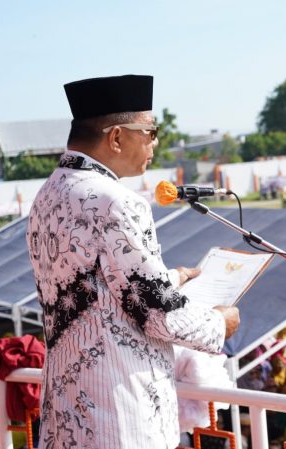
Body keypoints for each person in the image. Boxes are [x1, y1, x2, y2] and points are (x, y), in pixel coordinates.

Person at [26, 75, 240, 449]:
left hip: (67, 408)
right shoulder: (116, 201)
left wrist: (173, 277)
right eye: (150, 131)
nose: (154, 142)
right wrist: (219, 323)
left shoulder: (47, 194)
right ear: (117, 137)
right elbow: (158, 313)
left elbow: (91, 291)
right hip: (118, 409)